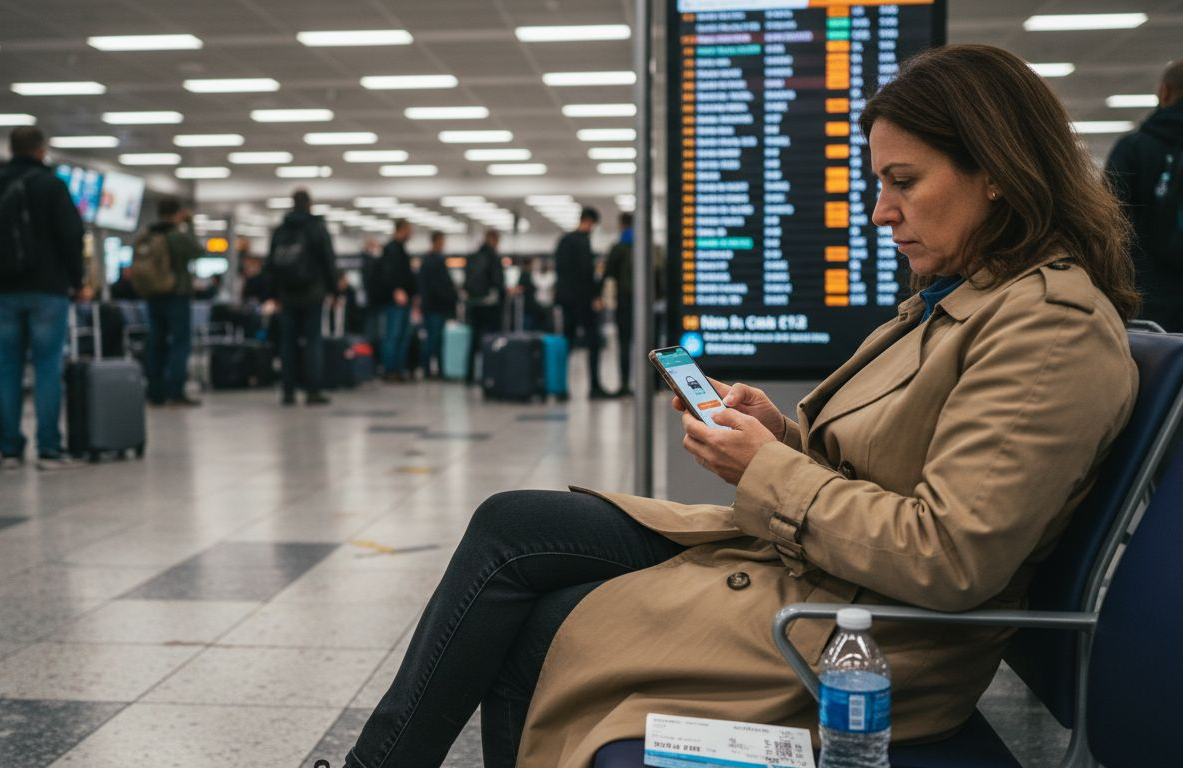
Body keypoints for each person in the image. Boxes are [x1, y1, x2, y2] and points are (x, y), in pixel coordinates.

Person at [343, 44, 1140, 768]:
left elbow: (949, 555)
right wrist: (781, 438)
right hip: (819, 575)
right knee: (513, 525)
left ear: (996, 172)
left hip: (867, 637)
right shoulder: (968, 297)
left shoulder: (1048, 331)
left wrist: (770, 471)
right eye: (878, 184)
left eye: (904, 182)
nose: (880, 212)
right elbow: (896, 463)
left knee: (546, 630)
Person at [0, 126, 85, 471]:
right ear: (42, 150)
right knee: (46, 367)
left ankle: (9, 449)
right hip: (47, 287)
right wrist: (78, 280)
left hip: (3, 289)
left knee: (8, 367)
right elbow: (72, 235)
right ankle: (48, 449)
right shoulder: (51, 185)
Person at [1106, 58, 1183, 331]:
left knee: (1160, 368)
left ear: (1165, 92)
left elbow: (1110, 218)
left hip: (1148, 294)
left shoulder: (1134, 148)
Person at [268, 189, 338, 406]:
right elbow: (328, 259)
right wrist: (334, 290)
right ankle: (312, 390)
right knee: (312, 342)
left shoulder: (280, 229)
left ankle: (288, 391)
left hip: (287, 293)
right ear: (309, 204)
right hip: (312, 292)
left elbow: (271, 264)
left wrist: (273, 294)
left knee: (287, 343)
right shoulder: (316, 228)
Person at [138, 199, 205, 406]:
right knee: (180, 342)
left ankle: (154, 391)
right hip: (176, 294)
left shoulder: (148, 235)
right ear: (177, 214)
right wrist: (190, 225)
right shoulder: (177, 236)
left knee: (155, 342)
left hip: (152, 295)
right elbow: (199, 251)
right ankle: (175, 391)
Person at [554, 207, 608, 399]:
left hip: (566, 301)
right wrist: (596, 296)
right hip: (583, 302)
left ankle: (560, 388)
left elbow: (559, 271)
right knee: (593, 342)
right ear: (589, 221)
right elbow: (586, 272)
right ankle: (594, 387)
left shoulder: (563, 240)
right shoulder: (582, 241)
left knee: (566, 344)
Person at [375, 219, 417, 382]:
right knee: (393, 335)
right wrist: (396, 291)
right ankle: (389, 370)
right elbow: (387, 275)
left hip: (404, 300)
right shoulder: (391, 250)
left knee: (402, 337)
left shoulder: (401, 250)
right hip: (395, 301)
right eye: (409, 230)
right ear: (401, 229)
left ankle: (399, 370)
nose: (411, 234)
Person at [463, 229, 505, 383]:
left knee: (473, 340)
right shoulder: (493, 257)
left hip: (474, 304)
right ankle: (490, 374)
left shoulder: (472, 257)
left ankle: (469, 374)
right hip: (490, 306)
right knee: (491, 341)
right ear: (494, 240)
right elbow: (498, 281)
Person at [602, 212, 636, 396]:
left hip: (624, 302)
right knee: (648, 345)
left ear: (621, 225)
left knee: (624, 343)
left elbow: (608, 276)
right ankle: (651, 384)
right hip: (644, 304)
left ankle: (624, 384)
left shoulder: (617, 248)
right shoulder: (646, 247)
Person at [417, 231, 457, 378]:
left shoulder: (429, 260)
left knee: (437, 339)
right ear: (437, 241)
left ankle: (435, 369)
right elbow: (438, 286)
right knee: (433, 339)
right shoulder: (432, 261)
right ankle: (428, 369)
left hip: (433, 307)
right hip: (434, 307)